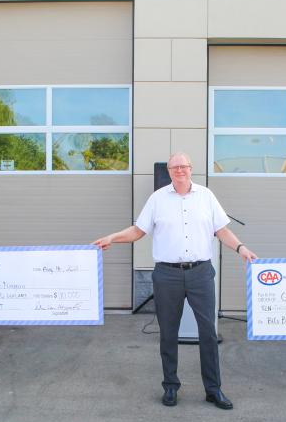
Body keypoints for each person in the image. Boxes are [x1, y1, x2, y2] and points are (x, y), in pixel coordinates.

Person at [93, 152, 257, 409]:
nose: (179, 170)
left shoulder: (207, 196)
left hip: (201, 273)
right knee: (168, 333)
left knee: (208, 334)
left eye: (183, 166)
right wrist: (112, 237)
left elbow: (222, 230)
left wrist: (241, 248)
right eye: (174, 167)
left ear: (191, 169)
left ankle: (213, 390)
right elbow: (138, 230)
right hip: (167, 275)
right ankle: (170, 386)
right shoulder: (157, 199)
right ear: (169, 172)